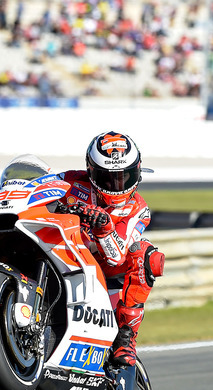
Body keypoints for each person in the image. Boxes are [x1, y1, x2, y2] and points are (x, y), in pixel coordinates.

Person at [58, 131, 164, 367]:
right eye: (108, 178)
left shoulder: (139, 209)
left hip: (106, 271)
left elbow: (116, 258)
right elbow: (36, 189)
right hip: (65, 256)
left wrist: (104, 227)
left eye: (124, 177)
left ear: (137, 172)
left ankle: (126, 338)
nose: (117, 185)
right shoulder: (70, 182)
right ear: (91, 171)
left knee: (145, 254)